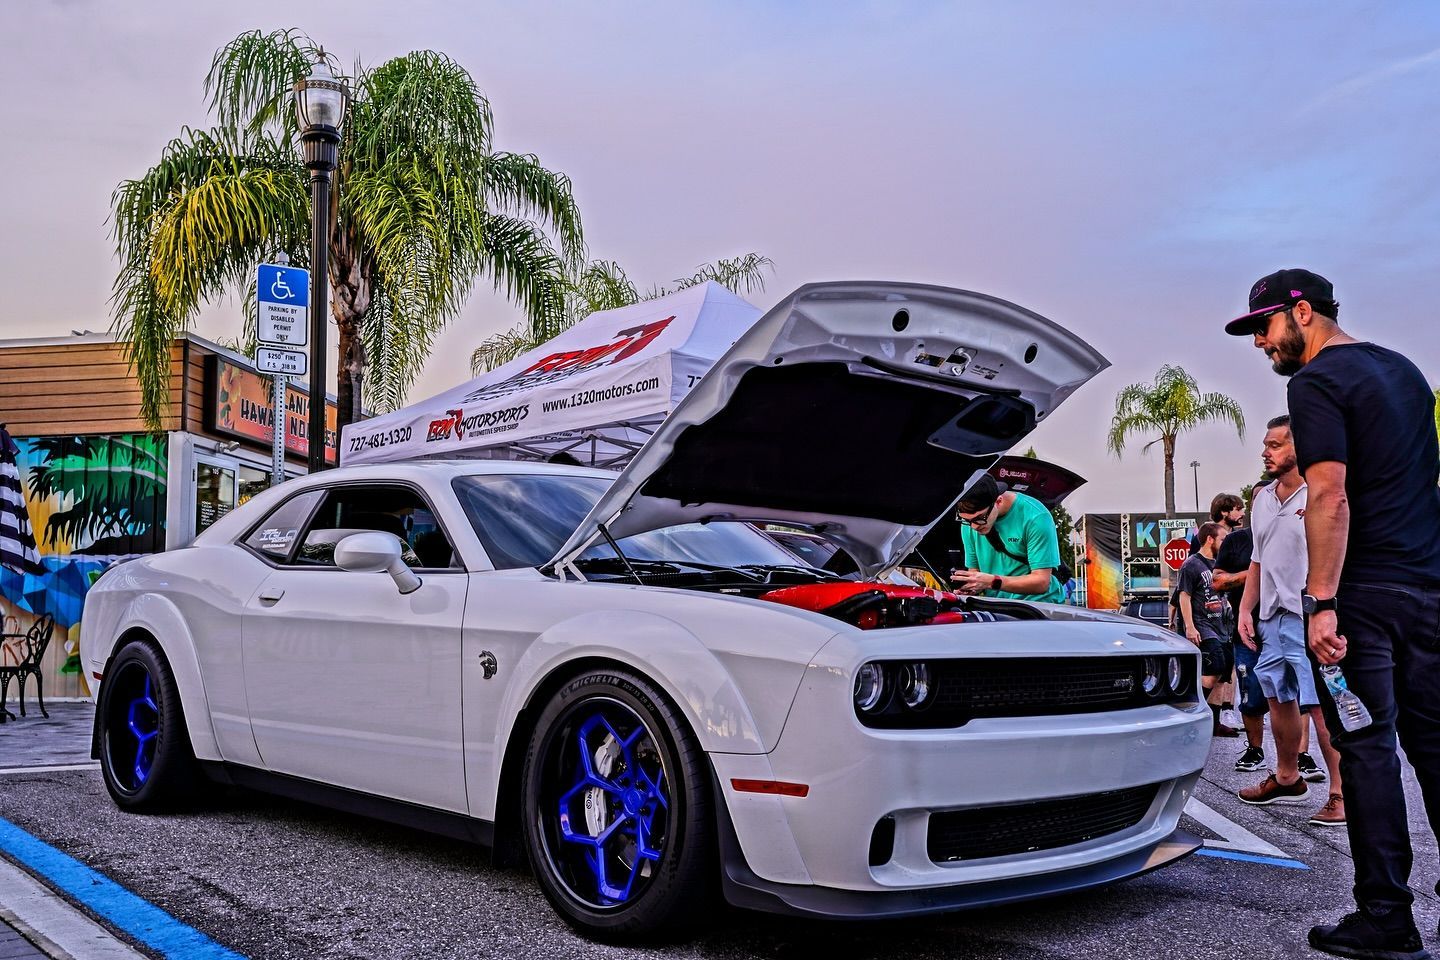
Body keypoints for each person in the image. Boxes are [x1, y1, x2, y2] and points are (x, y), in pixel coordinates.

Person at [1227, 268, 1440, 960]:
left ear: (1302, 312)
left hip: (1362, 599)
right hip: (1427, 589)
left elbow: (1329, 496)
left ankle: (1387, 918)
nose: (1260, 343)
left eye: (1264, 326)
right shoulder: (1406, 373)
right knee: (1434, 747)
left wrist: (1321, 603)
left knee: (1367, 749)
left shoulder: (1316, 381)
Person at [1235, 416, 1344, 825]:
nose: (1266, 452)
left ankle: (1340, 793)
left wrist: (1326, 610)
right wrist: (1245, 610)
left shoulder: (1319, 492)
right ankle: (1287, 777)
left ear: (1301, 446)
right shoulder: (1262, 497)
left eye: (1276, 445)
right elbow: (1258, 560)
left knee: (1322, 704)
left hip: (1310, 615)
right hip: (1272, 616)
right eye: (1266, 444)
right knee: (1278, 697)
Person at [1205, 492, 1271, 770]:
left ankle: (1302, 757)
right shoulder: (1236, 540)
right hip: (1247, 629)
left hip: (1290, 623)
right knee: (1251, 693)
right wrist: (1256, 572)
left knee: (1299, 697)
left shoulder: (1296, 531)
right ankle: (1255, 750)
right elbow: (1217, 582)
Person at [948, 475, 1066, 604]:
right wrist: (971, 587)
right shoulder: (968, 524)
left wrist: (992, 581)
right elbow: (974, 571)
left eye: (980, 518)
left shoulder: (1036, 517)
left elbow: (1042, 582)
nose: (974, 527)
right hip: (997, 603)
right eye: (967, 520)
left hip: (1038, 604)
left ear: (998, 501)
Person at [1177, 521, 1231, 733]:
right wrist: (1189, 627)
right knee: (1215, 666)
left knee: (1223, 673)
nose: (1225, 543)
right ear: (1210, 539)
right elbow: (1184, 596)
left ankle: (1214, 723)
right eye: (1222, 539)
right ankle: (1190, 714)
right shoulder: (1191, 564)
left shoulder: (1219, 565)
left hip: (1222, 627)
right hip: (1203, 626)